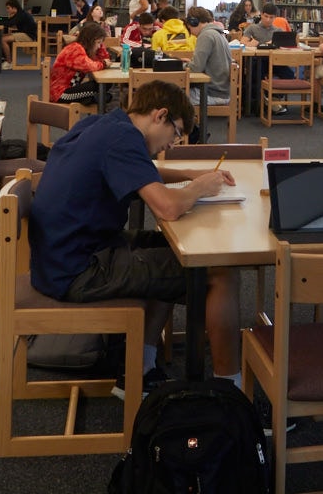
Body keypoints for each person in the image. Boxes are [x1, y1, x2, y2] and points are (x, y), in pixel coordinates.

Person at [29, 80, 240, 393]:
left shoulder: (103, 125)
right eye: (176, 133)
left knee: (170, 249)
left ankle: (138, 369)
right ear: (160, 115)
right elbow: (168, 208)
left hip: (59, 257)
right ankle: (231, 391)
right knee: (221, 271)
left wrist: (190, 175)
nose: (172, 145)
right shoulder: (123, 139)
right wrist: (199, 188)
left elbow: (141, 169)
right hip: (80, 270)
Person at [52, 20, 110, 105]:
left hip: (70, 89)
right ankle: (91, 99)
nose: (99, 46)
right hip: (61, 94)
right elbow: (90, 66)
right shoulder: (75, 49)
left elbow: (103, 58)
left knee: (104, 87)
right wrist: (104, 63)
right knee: (102, 87)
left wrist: (101, 47)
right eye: (98, 43)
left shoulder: (82, 49)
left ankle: (90, 99)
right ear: (90, 40)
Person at [185, 6, 232, 105]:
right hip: (222, 92)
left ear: (194, 22)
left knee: (171, 96)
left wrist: (181, 65)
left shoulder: (206, 35)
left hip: (211, 94)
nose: (191, 33)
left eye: (189, 28)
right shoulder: (218, 33)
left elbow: (195, 68)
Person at [0, 0, 38, 69]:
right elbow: (9, 21)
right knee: (2, 36)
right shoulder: (19, 14)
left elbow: (10, 23)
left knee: (3, 39)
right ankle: (6, 59)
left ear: (14, 8)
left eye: (8, 8)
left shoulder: (21, 14)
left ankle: (9, 62)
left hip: (29, 36)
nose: (7, 10)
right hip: (25, 34)